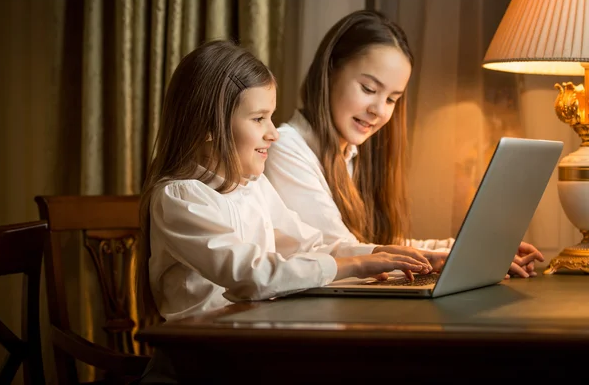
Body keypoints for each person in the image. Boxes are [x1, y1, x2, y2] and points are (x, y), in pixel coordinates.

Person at [137, 39, 434, 324]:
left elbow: (307, 245)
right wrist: (356, 266)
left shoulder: (254, 186)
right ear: (208, 127)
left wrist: (375, 254)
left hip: (249, 340)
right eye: (258, 119)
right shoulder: (180, 198)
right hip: (199, 356)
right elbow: (251, 274)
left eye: (271, 117)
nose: (273, 133)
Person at [264, 10, 543, 278]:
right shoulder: (286, 148)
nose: (378, 110)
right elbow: (340, 253)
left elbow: (383, 245)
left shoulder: (350, 154)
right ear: (329, 71)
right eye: (369, 89)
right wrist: (457, 258)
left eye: (391, 99)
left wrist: (469, 250)